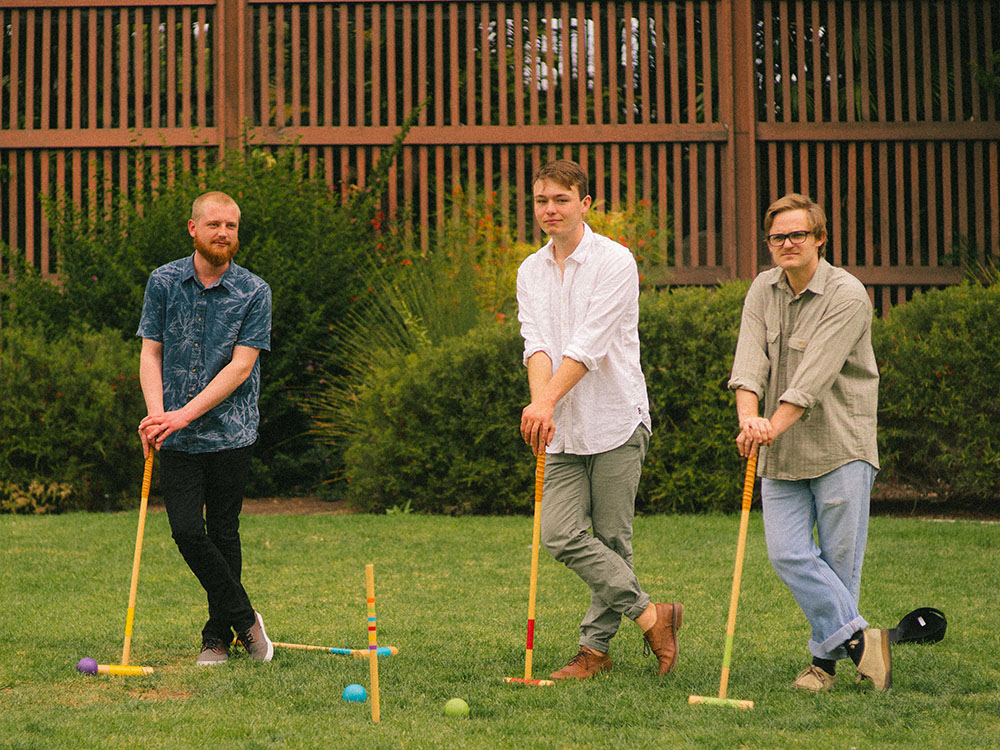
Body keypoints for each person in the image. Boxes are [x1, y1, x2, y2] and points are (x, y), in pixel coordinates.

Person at [516, 159, 682, 680]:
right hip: (563, 428)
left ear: (585, 204)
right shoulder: (529, 270)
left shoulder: (615, 261)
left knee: (613, 541)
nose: (550, 209)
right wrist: (543, 406)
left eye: (561, 200)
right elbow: (537, 344)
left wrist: (543, 404)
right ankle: (655, 616)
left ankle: (594, 652)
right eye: (542, 200)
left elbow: (589, 344)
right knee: (560, 535)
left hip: (616, 420)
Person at [728, 192, 891, 691]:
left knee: (840, 562)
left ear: (820, 238)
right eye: (778, 236)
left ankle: (824, 667)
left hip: (842, 444)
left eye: (799, 234)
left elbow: (813, 376)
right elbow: (749, 360)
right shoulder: (762, 288)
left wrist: (768, 426)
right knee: (788, 554)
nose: (788, 243)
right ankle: (865, 640)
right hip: (780, 450)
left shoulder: (846, 294)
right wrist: (748, 418)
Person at [137, 191, 274, 666]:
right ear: (193, 228)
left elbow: (240, 369)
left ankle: (217, 637)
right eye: (214, 224)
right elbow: (150, 351)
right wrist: (158, 415)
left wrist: (180, 415)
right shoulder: (164, 281)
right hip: (174, 434)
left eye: (231, 226)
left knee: (223, 531)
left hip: (231, 434)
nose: (223, 233)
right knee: (185, 530)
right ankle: (246, 619)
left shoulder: (255, 291)